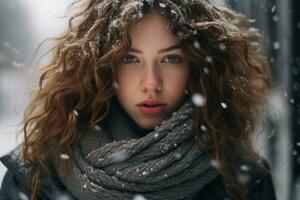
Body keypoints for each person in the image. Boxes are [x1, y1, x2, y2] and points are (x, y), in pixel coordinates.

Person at [0, 0, 277, 200]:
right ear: (102, 66)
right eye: (130, 59)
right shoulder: (36, 180)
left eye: (171, 58)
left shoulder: (243, 181)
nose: (152, 83)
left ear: (195, 66)